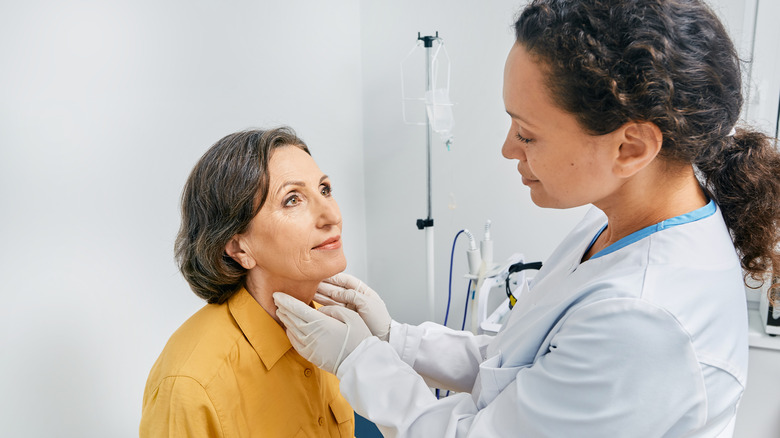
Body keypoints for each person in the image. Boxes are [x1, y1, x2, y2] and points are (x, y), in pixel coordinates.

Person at [273, 1, 780, 437]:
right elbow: (518, 362)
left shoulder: (646, 320)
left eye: (527, 134)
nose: (507, 148)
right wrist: (396, 340)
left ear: (631, 147)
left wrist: (357, 360)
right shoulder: (619, 221)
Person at [140, 127, 357, 437]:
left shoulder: (334, 334)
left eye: (324, 189)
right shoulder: (191, 383)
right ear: (239, 248)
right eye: (292, 200)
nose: (330, 215)